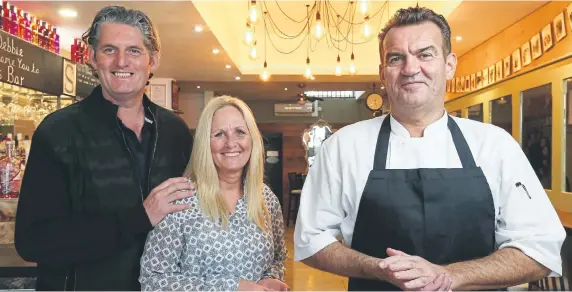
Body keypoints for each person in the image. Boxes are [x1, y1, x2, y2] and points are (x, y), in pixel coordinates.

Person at [294, 6, 566, 291]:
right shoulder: (341, 147)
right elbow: (311, 240)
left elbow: (539, 248)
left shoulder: (495, 145)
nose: (411, 69)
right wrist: (378, 268)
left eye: (425, 54)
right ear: (382, 72)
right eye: (396, 58)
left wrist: (450, 275)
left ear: (449, 65)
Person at [14, 6, 194, 290]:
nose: (122, 62)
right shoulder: (59, 132)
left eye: (134, 51)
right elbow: (33, 241)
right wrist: (140, 217)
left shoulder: (176, 132)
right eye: (109, 49)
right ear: (92, 58)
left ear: (153, 60)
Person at [139, 96, 288, 291]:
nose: (231, 143)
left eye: (240, 132)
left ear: (252, 140)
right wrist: (231, 288)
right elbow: (152, 280)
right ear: (204, 143)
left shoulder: (266, 198)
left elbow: (278, 257)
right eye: (219, 134)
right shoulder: (179, 199)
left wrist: (269, 278)